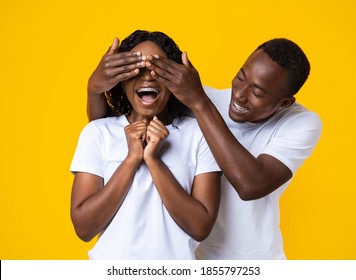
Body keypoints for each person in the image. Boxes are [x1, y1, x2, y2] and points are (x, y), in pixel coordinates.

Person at [86, 36, 322, 259]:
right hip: (193, 260)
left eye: (257, 92)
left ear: (284, 103)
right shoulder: (199, 101)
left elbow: (251, 184)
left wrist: (199, 102)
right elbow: (114, 131)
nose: (239, 95)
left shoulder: (300, 123)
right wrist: (95, 88)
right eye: (240, 77)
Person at [70, 30, 221, 260]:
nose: (147, 77)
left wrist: (153, 160)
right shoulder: (97, 133)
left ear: (173, 81)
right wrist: (131, 159)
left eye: (157, 69)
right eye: (136, 69)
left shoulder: (198, 135)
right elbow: (84, 228)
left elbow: (200, 227)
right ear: (121, 81)